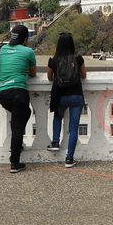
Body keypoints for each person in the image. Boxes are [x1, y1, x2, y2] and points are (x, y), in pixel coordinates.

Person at [0, 25, 37, 173]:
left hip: (2, 94)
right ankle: (15, 163)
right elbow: (33, 73)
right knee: (18, 127)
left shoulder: (1, 50)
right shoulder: (28, 51)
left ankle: (16, 144)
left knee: (24, 114)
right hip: (19, 93)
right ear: (25, 39)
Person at [47, 32, 86, 168]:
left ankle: (55, 142)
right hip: (76, 96)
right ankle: (69, 159)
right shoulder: (78, 59)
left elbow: (49, 77)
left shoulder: (54, 59)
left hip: (60, 96)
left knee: (58, 117)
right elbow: (84, 76)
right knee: (73, 128)